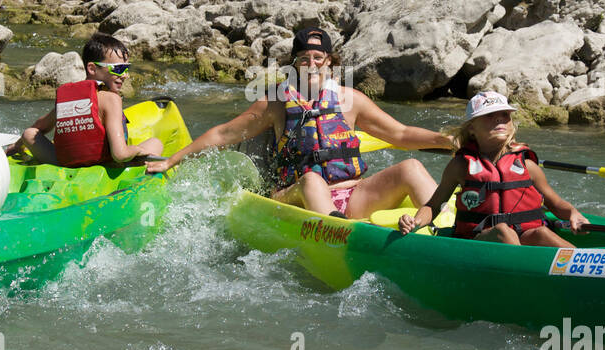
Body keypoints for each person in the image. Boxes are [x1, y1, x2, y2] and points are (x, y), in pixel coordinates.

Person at [145, 27, 452, 218]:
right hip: (297, 197)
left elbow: (399, 133)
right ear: (295, 62)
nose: (311, 63)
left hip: (354, 195)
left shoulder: (351, 99)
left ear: (329, 61)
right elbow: (224, 133)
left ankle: (450, 230)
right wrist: (171, 160)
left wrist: (447, 140)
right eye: (304, 57)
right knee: (312, 181)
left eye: (318, 57)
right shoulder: (276, 102)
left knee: (410, 168)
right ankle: (338, 233)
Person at [398, 91, 588, 245]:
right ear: (471, 128)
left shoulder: (527, 165)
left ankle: (582, 272)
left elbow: (555, 203)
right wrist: (415, 223)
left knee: (542, 233)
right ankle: (523, 277)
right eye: (489, 115)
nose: (499, 119)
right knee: (502, 231)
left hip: (522, 237)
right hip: (477, 241)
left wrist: (573, 213)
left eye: (504, 115)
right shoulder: (461, 165)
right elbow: (433, 205)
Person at [5, 33, 163, 165]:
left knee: (29, 133)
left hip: (66, 164)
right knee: (156, 143)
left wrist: (18, 145)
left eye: (126, 68)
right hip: (106, 165)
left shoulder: (71, 97)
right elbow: (119, 155)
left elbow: (39, 127)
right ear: (92, 68)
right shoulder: (111, 99)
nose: (125, 75)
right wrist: (137, 149)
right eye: (119, 69)